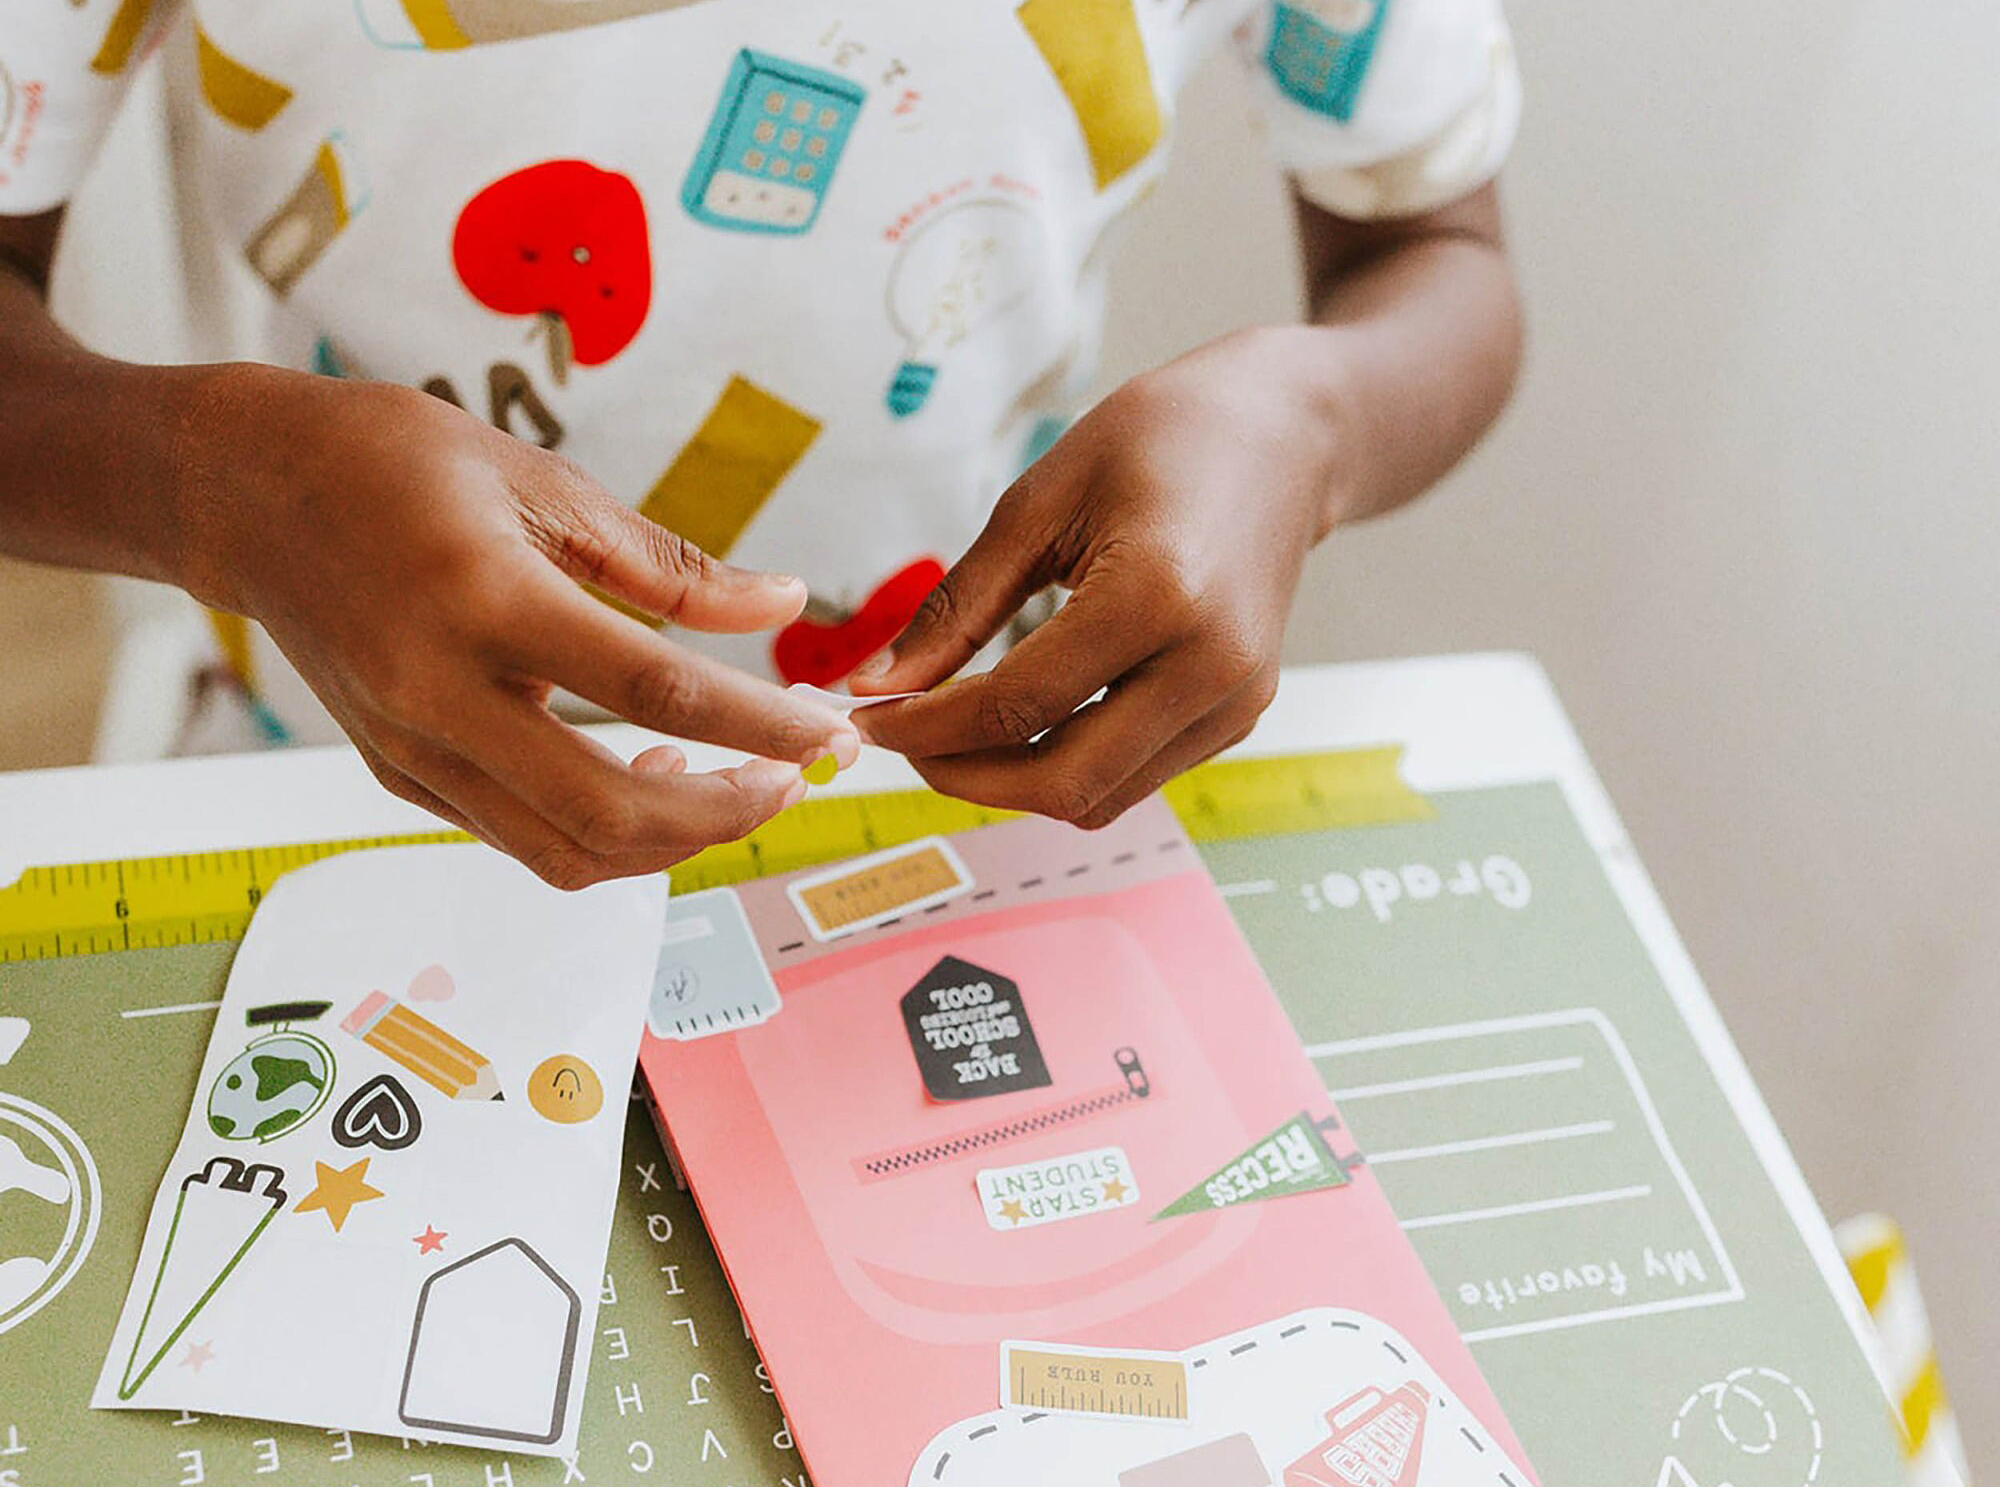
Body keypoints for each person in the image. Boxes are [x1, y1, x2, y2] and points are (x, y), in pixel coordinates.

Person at [0, 0, 1522, 887]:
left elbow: (1437, 255)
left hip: (977, 791)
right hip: (349, 775)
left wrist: (1301, 422)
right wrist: (217, 488)